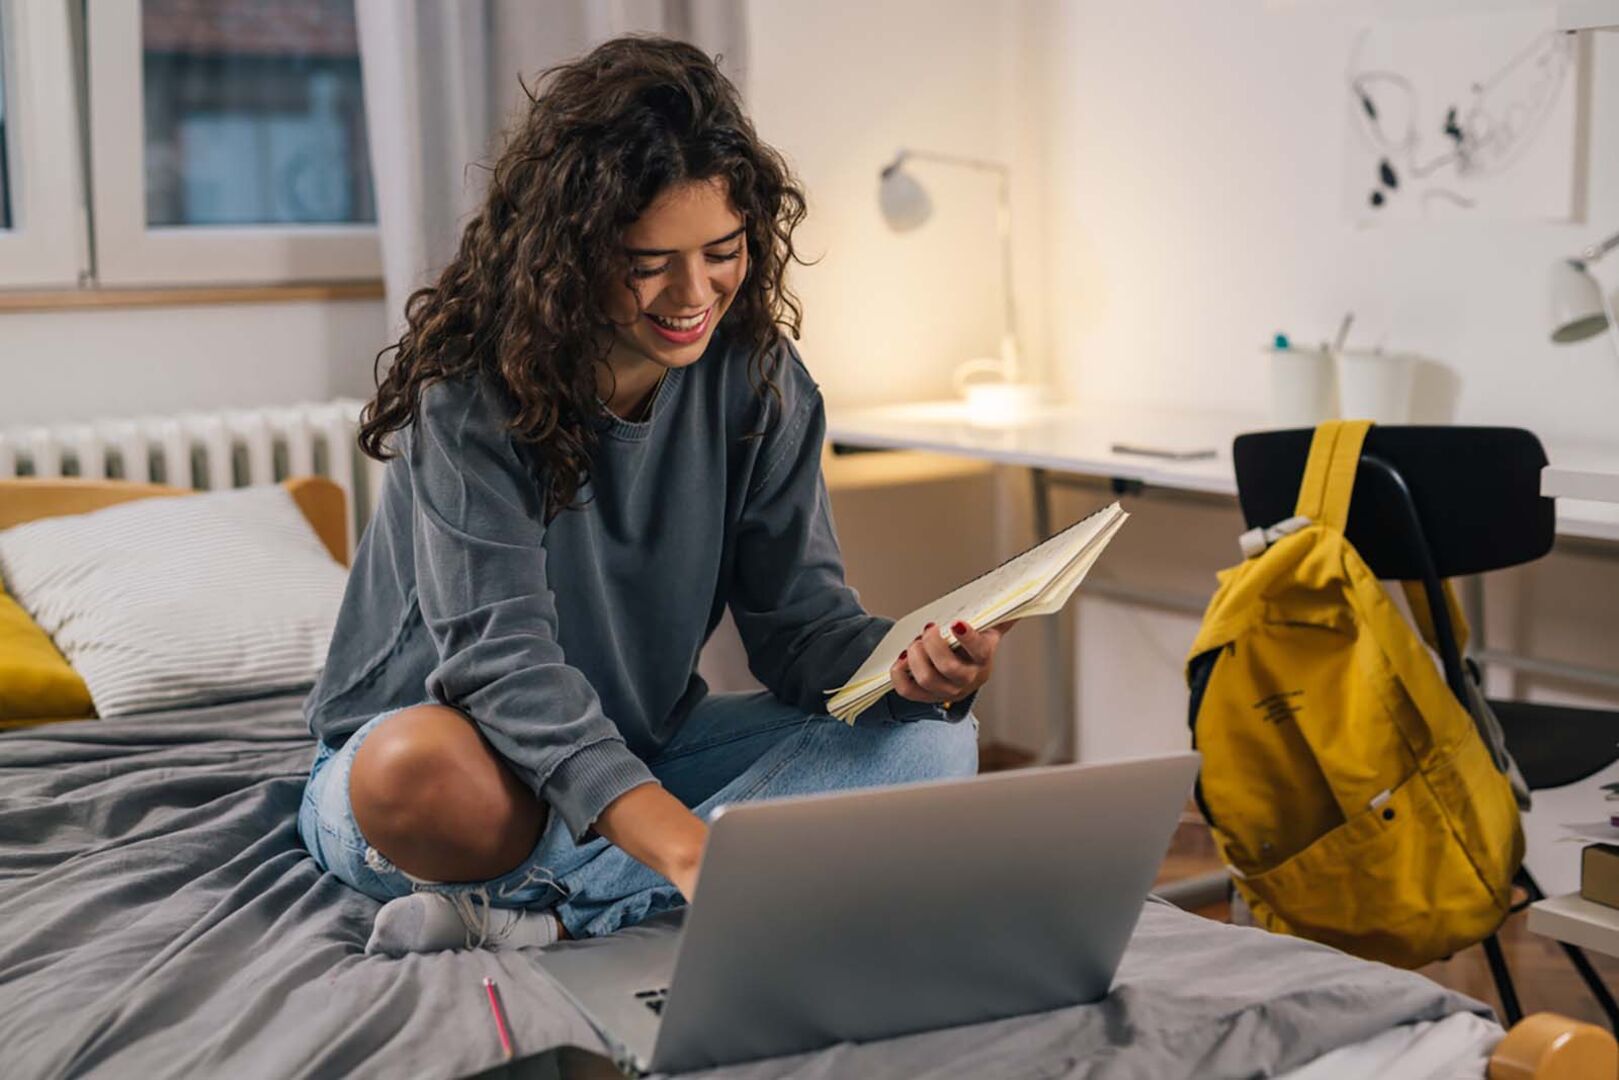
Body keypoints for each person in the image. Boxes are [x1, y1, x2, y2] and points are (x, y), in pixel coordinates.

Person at [297, 34, 1010, 957]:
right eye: (647, 261)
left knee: (931, 745)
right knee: (424, 767)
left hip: (634, 753)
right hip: (448, 775)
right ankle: (652, 876)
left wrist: (907, 666)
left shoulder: (760, 382)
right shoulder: (469, 393)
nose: (693, 293)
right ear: (569, 251)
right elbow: (500, 664)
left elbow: (798, 627)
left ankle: (548, 913)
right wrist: (683, 846)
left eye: (723, 250)